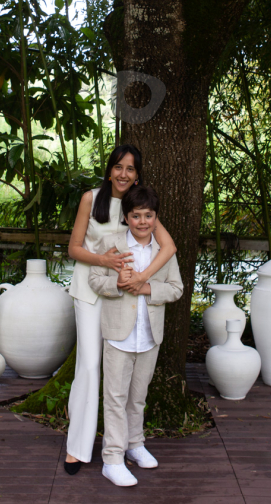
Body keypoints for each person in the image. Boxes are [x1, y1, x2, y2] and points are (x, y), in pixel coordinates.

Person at [64, 145, 177, 474]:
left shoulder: (138, 206)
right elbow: (74, 248)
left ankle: (128, 443)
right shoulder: (91, 198)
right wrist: (103, 260)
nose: (123, 174)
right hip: (91, 290)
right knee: (89, 366)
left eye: (130, 168)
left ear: (137, 174)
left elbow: (168, 247)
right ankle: (77, 448)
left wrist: (142, 278)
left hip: (125, 296)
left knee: (125, 375)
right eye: (118, 167)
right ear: (109, 170)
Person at [88, 185, 183, 487]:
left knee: (138, 396)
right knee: (115, 398)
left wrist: (147, 288)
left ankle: (135, 444)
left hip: (149, 335)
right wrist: (116, 283)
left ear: (156, 218)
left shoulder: (162, 251)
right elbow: (94, 279)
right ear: (126, 217)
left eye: (149, 216)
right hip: (118, 335)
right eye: (136, 216)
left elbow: (176, 288)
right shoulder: (112, 243)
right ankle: (112, 459)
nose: (143, 222)